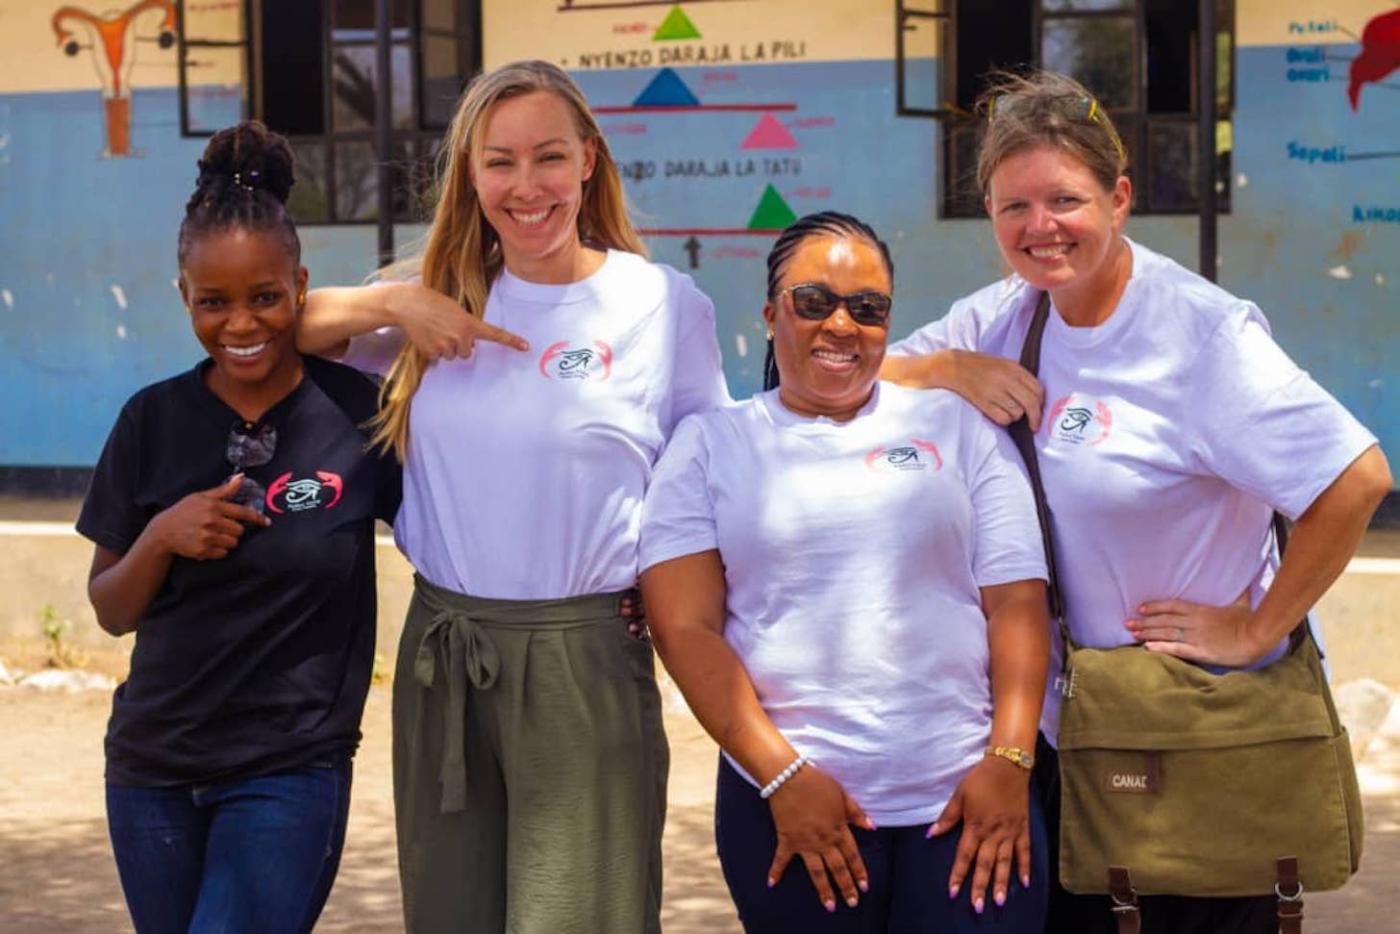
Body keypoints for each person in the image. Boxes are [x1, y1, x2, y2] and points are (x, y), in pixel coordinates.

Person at [881, 70, 1393, 933]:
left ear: (1119, 199)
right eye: (1014, 208)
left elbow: (1357, 478)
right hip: (1062, 731)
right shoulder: (1007, 316)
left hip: (1192, 728)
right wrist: (945, 368)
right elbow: (851, 372)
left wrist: (1257, 625)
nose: (1040, 228)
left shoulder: (1202, 336)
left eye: (1065, 200)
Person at [295, 60, 731, 933]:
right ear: (470, 172)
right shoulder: (426, 293)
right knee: (451, 912)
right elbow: (285, 325)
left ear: (588, 162)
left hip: (586, 654)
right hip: (444, 650)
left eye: (548, 158)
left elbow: (709, 477)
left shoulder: (658, 303)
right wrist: (395, 303)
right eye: (499, 162)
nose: (525, 186)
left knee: (582, 915)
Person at [639, 211, 1052, 933]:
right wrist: (782, 775)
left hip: (970, 803)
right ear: (772, 315)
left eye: (867, 308)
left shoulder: (957, 428)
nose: (841, 324)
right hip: (789, 804)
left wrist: (1011, 760)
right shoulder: (710, 445)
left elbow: (1016, 601)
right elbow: (685, 627)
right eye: (813, 301)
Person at [78, 121, 402, 933]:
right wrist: (162, 537)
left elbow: (457, 531)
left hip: (289, 770)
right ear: (184, 297)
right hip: (150, 771)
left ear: (300, 286)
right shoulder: (150, 420)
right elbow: (112, 610)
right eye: (214, 302)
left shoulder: (356, 414)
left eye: (265, 297)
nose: (240, 324)